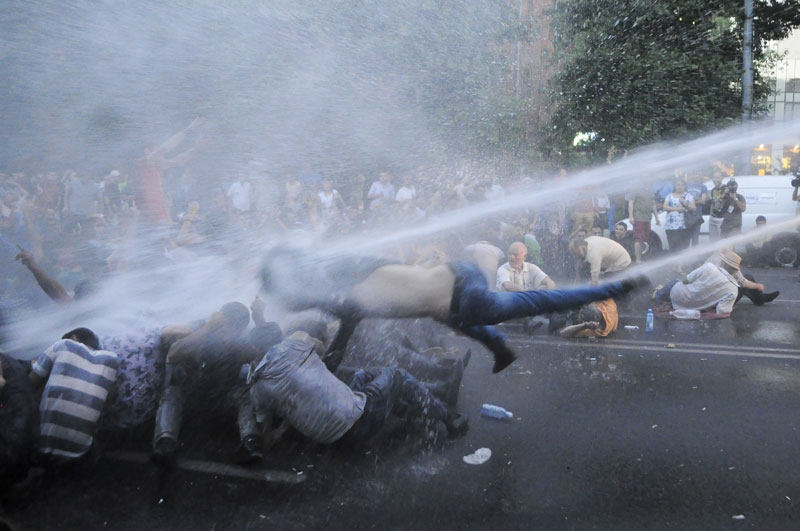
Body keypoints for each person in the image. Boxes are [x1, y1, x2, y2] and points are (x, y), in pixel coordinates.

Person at [261, 249, 643, 373]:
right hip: (457, 275)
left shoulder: (350, 306)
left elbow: (335, 338)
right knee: (443, 314)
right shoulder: (363, 270)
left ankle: (615, 288)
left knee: (541, 301)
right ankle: (500, 349)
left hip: (466, 299)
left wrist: (323, 365)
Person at [246, 320, 469, 448]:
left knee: (364, 375)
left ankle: (418, 406)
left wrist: (284, 425)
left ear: (255, 350)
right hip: (357, 421)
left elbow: (268, 438)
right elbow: (322, 348)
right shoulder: (294, 344)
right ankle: (448, 419)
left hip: (332, 441)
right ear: (280, 337)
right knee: (396, 376)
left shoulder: (256, 387)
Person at [151, 301, 280, 467]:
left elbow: (258, 357)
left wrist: (247, 334)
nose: (226, 334)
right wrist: (206, 330)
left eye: (234, 330)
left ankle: (250, 443)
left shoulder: (241, 340)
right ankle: (165, 442)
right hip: (192, 393)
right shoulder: (201, 328)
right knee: (172, 391)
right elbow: (174, 354)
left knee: (247, 392)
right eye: (225, 328)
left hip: (222, 397)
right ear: (219, 320)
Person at [28, 328, 118, 464]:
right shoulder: (111, 360)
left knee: (42, 380)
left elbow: (30, 383)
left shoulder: (64, 344)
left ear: (74, 338)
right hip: (79, 451)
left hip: (40, 443)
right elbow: (107, 401)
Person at [652, 251, 740, 316]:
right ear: (735, 270)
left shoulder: (709, 267)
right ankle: (661, 292)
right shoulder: (733, 290)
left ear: (723, 263)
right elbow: (722, 311)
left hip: (678, 295)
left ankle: (657, 294)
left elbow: (685, 280)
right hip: (695, 308)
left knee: (675, 282)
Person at [706, 250, 779, 306]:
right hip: (722, 300)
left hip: (709, 298)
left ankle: (759, 298)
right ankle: (760, 299)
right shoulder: (730, 267)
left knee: (740, 284)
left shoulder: (712, 260)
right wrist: (758, 286)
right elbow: (743, 282)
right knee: (747, 279)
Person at [625, 183, 660, 262]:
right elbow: (631, 202)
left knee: (645, 239)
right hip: (638, 218)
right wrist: (631, 217)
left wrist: (657, 218)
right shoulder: (635, 189)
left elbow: (653, 204)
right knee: (638, 239)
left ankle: (641, 256)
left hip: (648, 218)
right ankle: (638, 259)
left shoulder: (650, 189)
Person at [662, 179, 696, 252]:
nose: (679, 187)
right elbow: (664, 207)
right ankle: (674, 259)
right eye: (678, 185)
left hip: (683, 226)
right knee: (672, 247)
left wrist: (684, 203)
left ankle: (681, 260)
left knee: (682, 247)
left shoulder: (688, 196)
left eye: (682, 185)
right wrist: (678, 209)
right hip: (670, 226)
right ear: (674, 186)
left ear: (684, 186)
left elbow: (693, 208)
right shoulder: (669, 195)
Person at [685, 173, 708, 246]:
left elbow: (703, 201)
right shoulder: (687, 185)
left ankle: (694, 253)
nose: (697, 176)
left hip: (697, 214)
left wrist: (690, 201)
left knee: (695, 237)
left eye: (698, 174)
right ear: (692, 175)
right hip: (686, 214)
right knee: (686, 237)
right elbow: (683, 198)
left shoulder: (703, 187)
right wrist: (697, 198)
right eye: (695, 174)